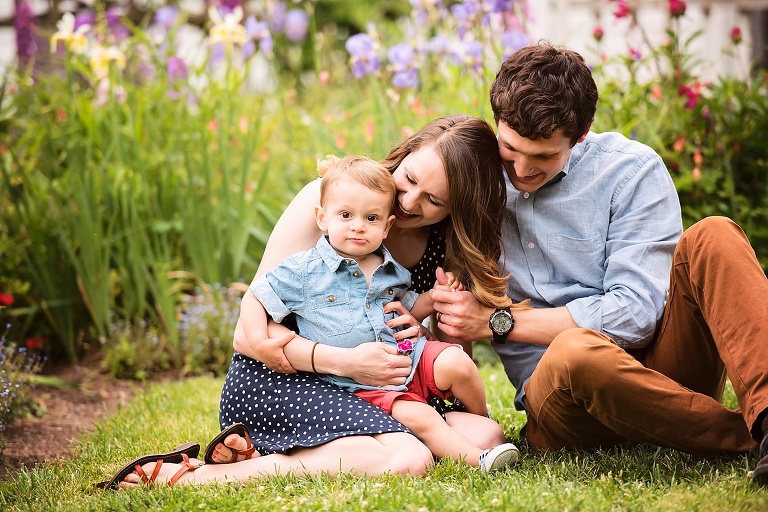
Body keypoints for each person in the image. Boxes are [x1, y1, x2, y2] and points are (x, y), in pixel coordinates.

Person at [115, 114, 517, 487]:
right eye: (408, 179)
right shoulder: (333, 202)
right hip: (289, 378)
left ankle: (303, 447)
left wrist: (424, 326)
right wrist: (346, 361)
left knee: (485, 433)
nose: (410, 202)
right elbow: (246, 335)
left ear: (455, 208)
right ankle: (199, 476)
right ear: (404, 153)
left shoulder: (444, 242)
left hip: (385, 384)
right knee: (410, 460)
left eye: (434, 200)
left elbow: (441, 349)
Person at [429, 42, 768, 484]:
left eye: (544, 156)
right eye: (511, 149)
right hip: (564, 404)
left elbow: (638, 314)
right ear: (498, 121)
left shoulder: (630, 171)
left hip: (663, 371)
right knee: (574, 350)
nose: (523, 171)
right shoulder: (475, 179)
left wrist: (498, 321)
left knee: (714, 234)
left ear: (582, 132)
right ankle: (739, 434)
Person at [247, 153, 519, 471]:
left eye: (371, 219)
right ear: (322, 218)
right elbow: (255, 297)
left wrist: (435, 297)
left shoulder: (389, 268)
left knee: (457, 361)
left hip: (408, 356)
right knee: (420, 416)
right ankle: (477, 459)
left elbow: (408, 308)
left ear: (387, 226)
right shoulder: (305, 271)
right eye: (346, 215)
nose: (358, 227)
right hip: (362, 384)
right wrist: (259, 340)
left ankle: (478, 418)